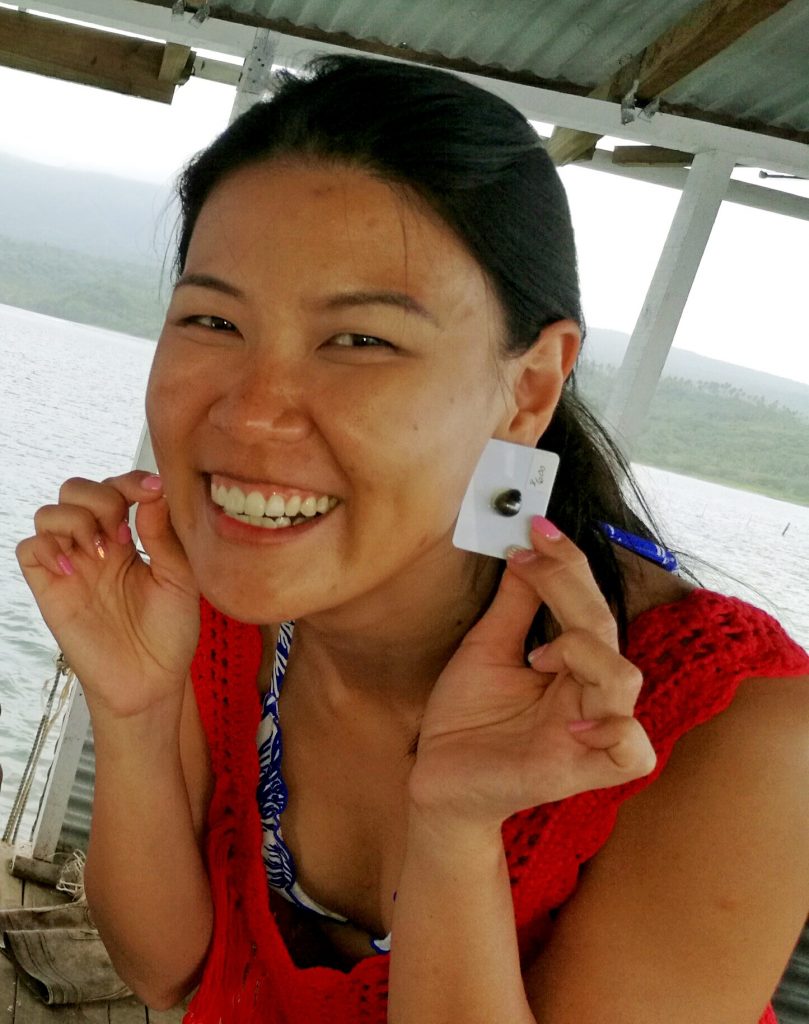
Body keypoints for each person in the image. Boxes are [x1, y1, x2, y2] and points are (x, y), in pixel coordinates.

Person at [16, 55, 809, 1024]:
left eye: (361, 340)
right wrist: (133, 709)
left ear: (526, 388)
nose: (252, 413)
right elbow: (174, 975)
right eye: (213, 318)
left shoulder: (729, 730)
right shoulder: (229, 594)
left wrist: (455, 831)